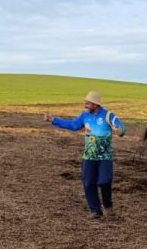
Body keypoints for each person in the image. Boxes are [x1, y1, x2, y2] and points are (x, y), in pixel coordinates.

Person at [45, 91, 125, 219]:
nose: (85, 104)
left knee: (104, 181)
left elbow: (121, 127)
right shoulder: (84, 116)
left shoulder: (108, 115)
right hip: (89, 156)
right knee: (88, 183)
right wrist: (54, 120)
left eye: (88, 102)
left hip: (105, 157)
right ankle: (95, 210)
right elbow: (72, 125)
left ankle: (108, 206)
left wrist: (120, 131)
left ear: (95, 104)